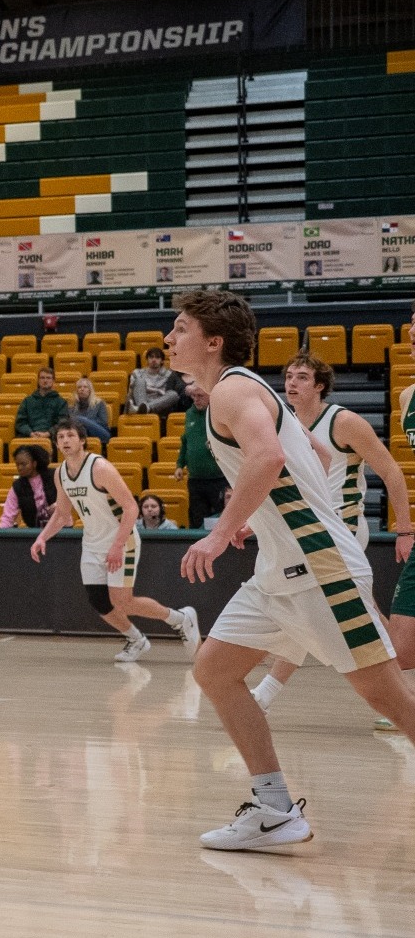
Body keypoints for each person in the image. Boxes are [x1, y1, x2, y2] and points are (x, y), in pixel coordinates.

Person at [170, 291, 415, 851]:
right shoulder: (238, 394)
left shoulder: (232, 388)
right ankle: (275, 809)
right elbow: (314, 457)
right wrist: (261, 516)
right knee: (213, 670)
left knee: (390, 700)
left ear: (213, 340)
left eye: (180, 328)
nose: (168, 338)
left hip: (321, 567)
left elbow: (270, 458)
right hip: (280, 570)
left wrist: (219, 529)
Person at [252, 349, 415, 720]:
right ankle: (403, 693)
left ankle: (263, 694)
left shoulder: (343, 421)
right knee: (358, 618)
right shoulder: (286, 422)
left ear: (320, 386)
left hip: (342, 531)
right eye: (289, 376)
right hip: (303, 531)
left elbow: (391, 472)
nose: (291, 383)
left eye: (302, 377)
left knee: (306, 608)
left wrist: (403, 528)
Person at [32, 420, 200, 663]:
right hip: (92, 543)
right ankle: (136, 639)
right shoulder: (60, 474)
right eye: (60, 437)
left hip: (123, 539)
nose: (65, 441)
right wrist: (42, 537)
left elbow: (132, 508)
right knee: (98, 600)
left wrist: (117, 546)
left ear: (82, 440)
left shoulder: (99, 467)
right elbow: (62, 515)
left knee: (123, 601)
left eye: (70, 435)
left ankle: (180, 618)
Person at [175, 382, 229, 528]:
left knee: (221, 518)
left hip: (218, 479)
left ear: (211, 396)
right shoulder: (189, 414)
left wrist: (217, 443)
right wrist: (180, 465)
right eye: (194, 396)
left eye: (200, 396)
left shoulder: (218, 413)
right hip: (195, 480)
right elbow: (185, 440)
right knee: (197, 519)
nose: (196, 399)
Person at [0, 446, 58, 529]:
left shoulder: (55, 476)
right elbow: (8, 517)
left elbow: (71, 495)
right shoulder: (17, 487)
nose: (19, 468)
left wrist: (60, 505)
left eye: (23, 464)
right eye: (17, 464)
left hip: (62, 531)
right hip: (35, 533)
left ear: (34, 463)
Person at [126, 347, 189, 416]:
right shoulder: (137, 373)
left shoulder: (169, 374)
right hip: (142, 400)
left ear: (162, 361)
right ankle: (142, 409)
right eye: (151, 357)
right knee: (139, 380)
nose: (154, 360)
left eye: (157, 357)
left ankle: (143, 409)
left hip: (160, 405)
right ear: (147, 359)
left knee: (173, 394)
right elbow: (130, 392)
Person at [15, 368, 69, 438]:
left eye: (48, 378)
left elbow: (62, 423)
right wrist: (30, 433)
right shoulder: (27, 401)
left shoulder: (61, 402)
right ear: (38, 380)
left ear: (53, 381)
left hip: (52, 439)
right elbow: (20, 422)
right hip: (29, 438)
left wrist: (48, 433)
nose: (45, 381)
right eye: (42, 378)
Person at [69, 376, 112, 443]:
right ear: (76, 391)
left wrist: (86, 422)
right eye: (79, 387)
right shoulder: (72, 406)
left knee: (80, 419)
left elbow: (103, 422)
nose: (82, 389)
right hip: (80, 434)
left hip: (101, 433)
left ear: (90, 390)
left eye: (85, 387)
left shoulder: (99, 403)